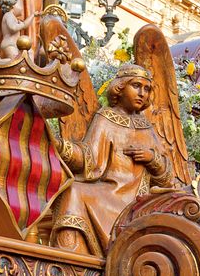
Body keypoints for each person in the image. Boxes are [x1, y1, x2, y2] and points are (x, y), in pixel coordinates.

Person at [49, 64, 177, 254]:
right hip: (108, 191)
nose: (142, 93)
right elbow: (88, 157)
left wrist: (153, 159)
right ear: (120, 87)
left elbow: (168, 178)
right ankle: (71, 253)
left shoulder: (146, 127)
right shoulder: (106, 117)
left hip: (138, 199)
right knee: (73, 189)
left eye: (146, 88)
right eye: (136, 86)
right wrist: (60, 146)